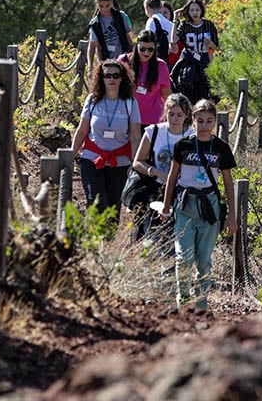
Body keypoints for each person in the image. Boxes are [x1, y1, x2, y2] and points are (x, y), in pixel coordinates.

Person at [160, 99, 237, 309]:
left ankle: (201, 305)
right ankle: (183, 297)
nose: (205, 125)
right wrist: (166, 207)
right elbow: (172, 176)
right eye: (200, 120)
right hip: (185, 205)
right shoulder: (183, 146)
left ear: (215, 122)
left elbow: (228, 182)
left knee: (204, 260)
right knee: (183, 257)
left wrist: (231, 215)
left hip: (210, 206)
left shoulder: (221, 148)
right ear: (192, 120)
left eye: (209, 121)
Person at [71, 59, 141, 225]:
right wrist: (69, 155)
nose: (111, 79)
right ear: (100, 78)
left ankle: (108, 246)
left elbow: (135, 136)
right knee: (95, 202)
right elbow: (82, 131)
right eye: (107, 75)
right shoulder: (93, 100)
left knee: (112, 208)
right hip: (92, 158)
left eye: (116, 75)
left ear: (122, 78)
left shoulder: (131, 103)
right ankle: (93, 243)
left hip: (120, 162)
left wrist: (135, 162)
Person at [128, 93, 191, 244]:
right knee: (150, 233)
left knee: (175, 233)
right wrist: (155, 172)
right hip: (154, 189)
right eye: (171, 114)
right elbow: (138, 162)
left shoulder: (191, 135)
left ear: (186, 115)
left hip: (181, 190)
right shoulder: (153, 131)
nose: (175, 119)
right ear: (165, 113)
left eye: (179, 115)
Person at [117, 30, 171, 126]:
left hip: (153, 120)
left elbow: (166, 95)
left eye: (150, 49)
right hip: (127, 118)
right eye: (142, 49)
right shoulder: (123, 61)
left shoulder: (161, 65)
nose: (146, 52)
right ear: (136, 46)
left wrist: (169, 116)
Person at [87, 0, 132, 69]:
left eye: (107, 6)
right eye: (101, 6)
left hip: (124, 59)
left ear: (111, 2)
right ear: (96, 4)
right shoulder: (95, 24)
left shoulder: (121, 16)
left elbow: (128, 37)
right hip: (106, 62)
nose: (104, 9)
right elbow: (97, 47)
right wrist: (93, 66)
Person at [172, 0, 220, 66]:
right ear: (188, 12)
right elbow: (173, 40)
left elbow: (217, 47)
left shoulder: (209, 25)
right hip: (189, 61)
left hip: (205, 60)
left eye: (197, 10)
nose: (195, 13)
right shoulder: (185, 25)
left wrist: (210, 44)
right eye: (192, 10)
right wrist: (175, 19)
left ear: (201, 11)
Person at [143, 0, 174, 64]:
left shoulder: (151, 21)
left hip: (154, 60)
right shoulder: (170, 24)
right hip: (167, 60)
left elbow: (147, 41)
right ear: (160, 6)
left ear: (147, 8)